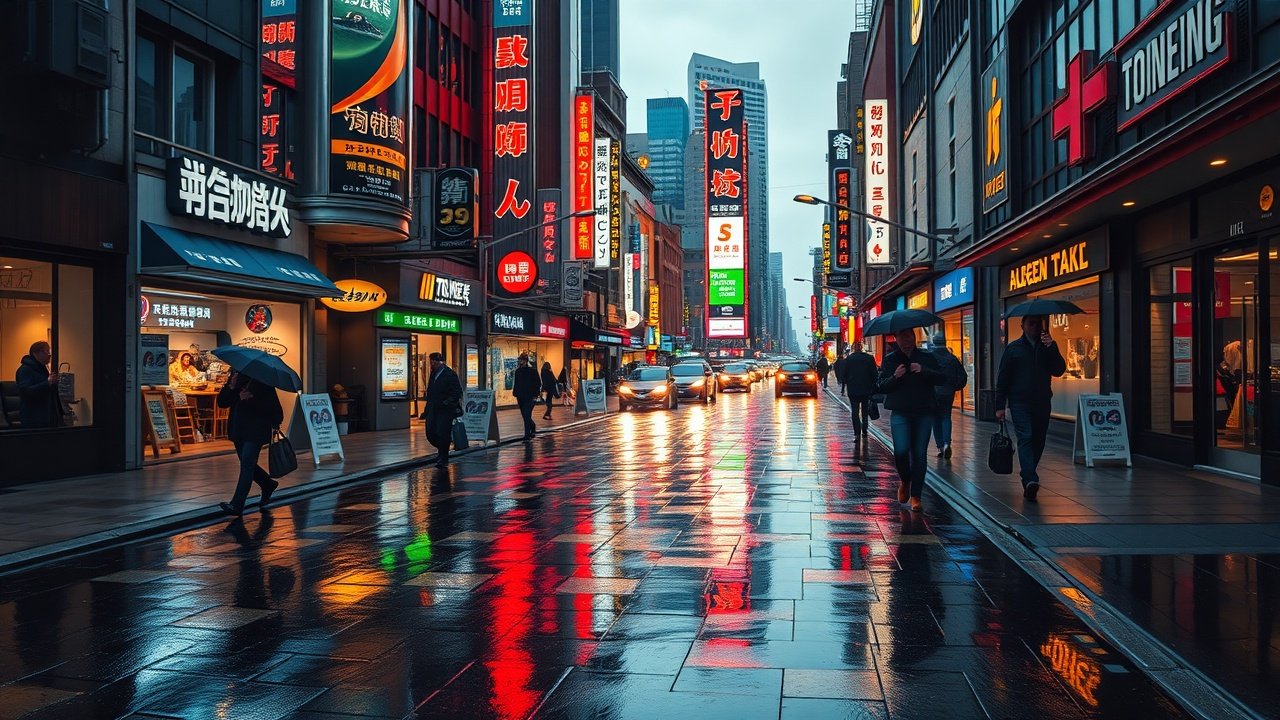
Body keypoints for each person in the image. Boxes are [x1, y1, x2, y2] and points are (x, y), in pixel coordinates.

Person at [995, 315, 1067, 501]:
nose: (1036, 327)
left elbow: (1059, 369)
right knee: (1025, 437)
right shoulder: (1013, 349)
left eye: (1039, 323)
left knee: (1039, 439)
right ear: (1023, 326)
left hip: (1042, 401)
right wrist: (999, 406)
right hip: (1019, 402)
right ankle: (1029, 478)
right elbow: (1003, 378)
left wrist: (1051, 348)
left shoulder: (1048, 346)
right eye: (1032, 323)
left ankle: (1029, 474)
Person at [877, 328, 947, 512]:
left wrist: (923, 370)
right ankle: (905, 481)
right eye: (902, 336)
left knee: (919, 454)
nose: (906, 340)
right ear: (896, 338)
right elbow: (882, 386)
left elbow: (942, 377)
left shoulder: (926, 357)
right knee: (900, 451)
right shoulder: (891, 359)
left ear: (915, 337)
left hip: (924, 411)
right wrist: (895, 377)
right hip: (900, 412)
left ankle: (916, 495)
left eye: (909, 336)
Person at [216, 371, 283, 517]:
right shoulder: (235, 379)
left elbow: (275, 410)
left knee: (247, 463)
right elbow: (222, 402)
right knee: (248, 464)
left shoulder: (263, 381)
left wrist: (251, 399)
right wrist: (231, 386)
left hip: (256, 430)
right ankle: (267, 484)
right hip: (238, 429)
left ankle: (237, 504)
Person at [929, 331, 968, 459]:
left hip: (933, 393)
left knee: (935, 418)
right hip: (948, 392)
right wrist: (954, 387)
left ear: (934, 342)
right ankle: (947, 443)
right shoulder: (952, 358)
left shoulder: (930, 358)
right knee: (946, 417)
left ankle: (940, 446)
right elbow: (963, 375)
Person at [424, 352, 463, 468]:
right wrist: (427, 409)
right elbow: (430, 392)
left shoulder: (450, 374)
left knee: (442, 432)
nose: (431, 364)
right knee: (430, 433)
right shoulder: (433, 374)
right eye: (430, 361)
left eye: (433, 361)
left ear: (439, 362)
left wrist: (448, 402)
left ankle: (443, 456)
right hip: (433, 408)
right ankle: (443, 448)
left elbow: (457, 391)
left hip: (445, 410)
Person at [15, 341, 62, 429]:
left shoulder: (42, 369)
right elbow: (25, 392)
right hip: (33, 419)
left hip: (46, 417)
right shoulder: (25, 370)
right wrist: (47, 383)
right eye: (47, 351)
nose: (49, 355)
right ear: (37, 353)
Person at [841, 341, 879, 441]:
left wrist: (846, 383)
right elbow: (875, 375)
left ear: (853, 348)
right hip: (866, 389)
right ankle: (865, 429)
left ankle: (857, 433)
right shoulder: (869, 358)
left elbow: (844, 375)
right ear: (861, 347)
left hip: (853, 390)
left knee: (855, 412)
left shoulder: (849, 359)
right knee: (865, 411)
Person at [512, 354, 541, 442]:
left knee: (527, 414)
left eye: (521, 360)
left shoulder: (532, 371)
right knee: (525, 415)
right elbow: (516, 383)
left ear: (525, 361)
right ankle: (532, 426)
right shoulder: (517, 371)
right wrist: (515, 393)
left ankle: (527, 434)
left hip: (530, 397)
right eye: (519, 360)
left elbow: (538, 384)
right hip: (520, 396)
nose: (520, 361)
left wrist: (535, 395)